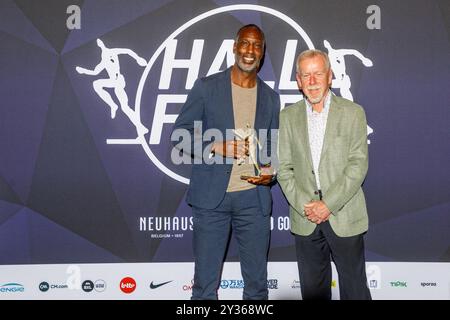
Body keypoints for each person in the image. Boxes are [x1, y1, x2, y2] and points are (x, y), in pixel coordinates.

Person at [172, 24, 279, 300]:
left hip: (253, 201)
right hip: (211, 201)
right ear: (234, 47)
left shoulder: (270, 97)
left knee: (257, 287)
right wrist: (214, 146)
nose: (250, 51)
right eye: (245, 43)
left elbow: (271, 148)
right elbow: (179, 135)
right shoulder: (207, 87)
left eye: (257, 45)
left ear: (263, 52)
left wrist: (271, 172)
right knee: (204, 287)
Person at [277, 49, 371, 300]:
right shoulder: (287, 117)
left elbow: (358, 165)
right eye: (306, 75)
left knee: (355, 291)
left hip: (344, 215)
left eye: (318, 73)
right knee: (313, 293)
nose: (312, 81)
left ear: (330, 76)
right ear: (298, 80)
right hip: (305, 218)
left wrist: (327, 204)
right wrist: (306, 206)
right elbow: (284, 168)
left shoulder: (353, 113)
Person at [76, 39, 148, 135]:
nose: (100, 44)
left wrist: (138, 58)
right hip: (113, 81)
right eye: (98, 44)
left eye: (100, 42)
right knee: (97, 84)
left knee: (125, 108)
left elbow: (127, 51)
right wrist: (83, 71)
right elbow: (95, 72)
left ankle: (140, 126)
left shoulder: (112, 51)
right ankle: (113, 105)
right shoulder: (103, 61)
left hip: (118, 81)